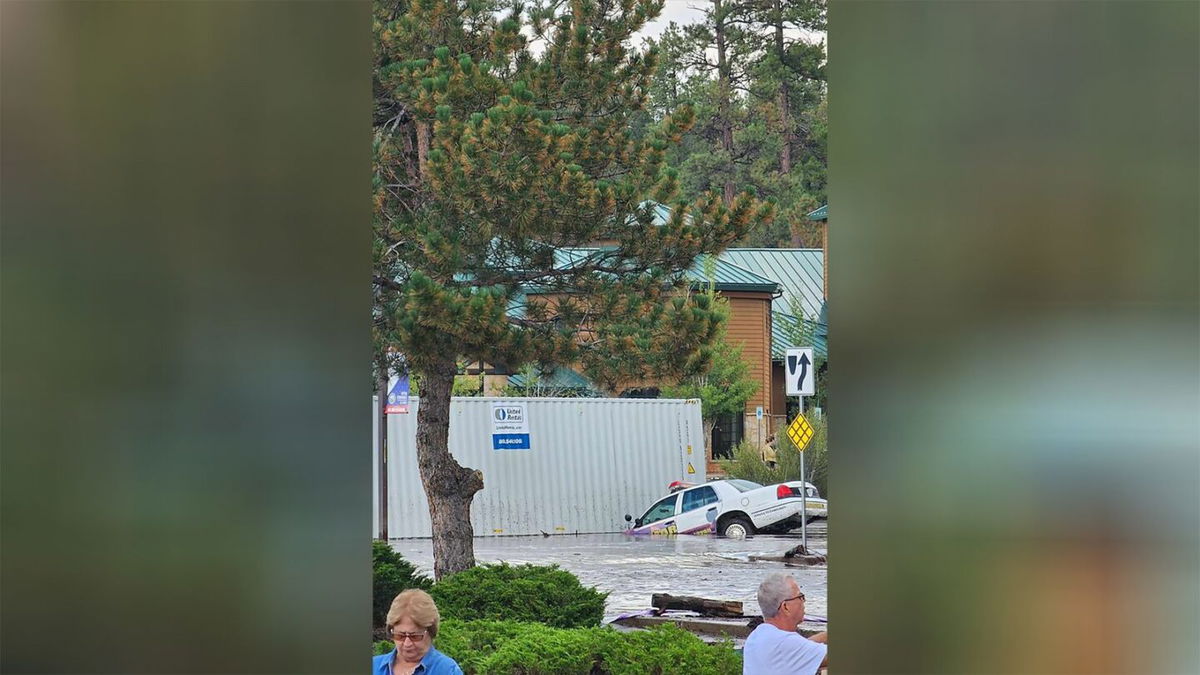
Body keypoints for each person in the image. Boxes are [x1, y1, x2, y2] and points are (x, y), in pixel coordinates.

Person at [743, 572, 828, 675]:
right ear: (785, 607)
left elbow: (802, 647)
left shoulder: (757, 636)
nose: (804, 601)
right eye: (800, 597)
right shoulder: (785, 643)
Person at [373, 589, 463, 675]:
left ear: (431, 632)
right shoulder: (373, 666)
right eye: (400, 636)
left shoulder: (447, 670)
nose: (407, 644)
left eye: (415, 636)